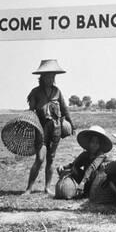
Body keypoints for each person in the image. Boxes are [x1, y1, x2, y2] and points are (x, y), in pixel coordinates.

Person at [24, 59, 75, 195]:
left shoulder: (57, 91)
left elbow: (64, 109)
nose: (51, 79)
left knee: (51, 158)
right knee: (40, 158)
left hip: (56, 128)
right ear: (42, 77)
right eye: (48, 76)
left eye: (53, 76)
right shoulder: (35, 92)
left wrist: (71, 124)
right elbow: (31, 111)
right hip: (41, 128)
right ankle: (29, 188)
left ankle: (47, 187)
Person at [56, 125, 112, 198]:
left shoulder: (101, 155)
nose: (94, 145)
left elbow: (92, 168)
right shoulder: (85, 154)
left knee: (93, 173)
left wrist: (82, 183)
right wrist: (63, 167)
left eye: (97, 143)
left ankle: (87, 191)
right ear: (89, 143)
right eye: (92, 142)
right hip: (86, 181)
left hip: (97, 182)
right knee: (74, 168)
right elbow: (73, 164)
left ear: (100, 145)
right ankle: (82, 191)